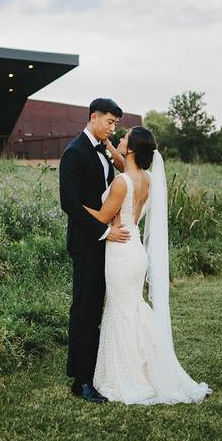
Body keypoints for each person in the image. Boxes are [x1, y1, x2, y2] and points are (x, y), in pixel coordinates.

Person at [83, 126, 211, 405]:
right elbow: (122, 161)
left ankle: (127, 375)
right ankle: (148, 369)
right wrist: (108, 145)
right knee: (134, 307)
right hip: (136, 249)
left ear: (131, 148)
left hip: (120, 251)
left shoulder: (121, 183)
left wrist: (75, 205)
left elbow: (103, 217)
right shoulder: (148, 179)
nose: (120, 138)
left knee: (120, 309)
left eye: (125, 138)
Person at [58, 98, 129, 403]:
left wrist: (112, 150)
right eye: (109, 122)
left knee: (96, 306)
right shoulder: (74, 152)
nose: (112, 128)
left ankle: (95, 369)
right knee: (84, 309)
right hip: (87, 243)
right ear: (93, 117)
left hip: (104, 242)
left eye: (116, 124)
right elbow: (69, 202)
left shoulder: (102, 151)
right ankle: (81, 379)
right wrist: (103, 231)